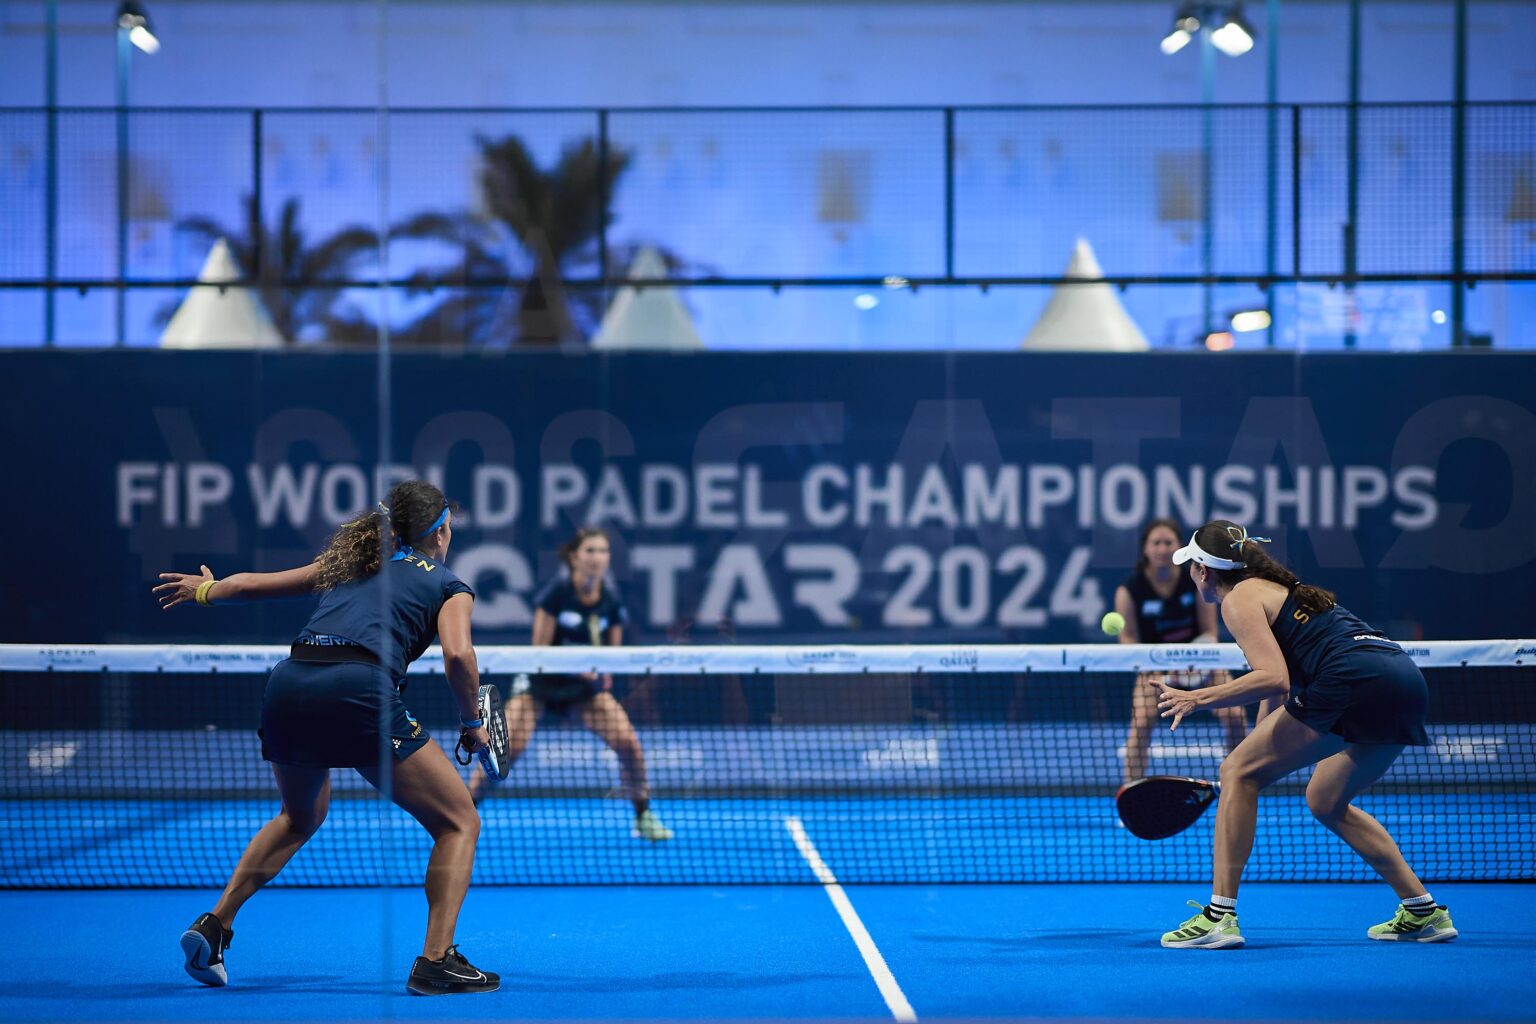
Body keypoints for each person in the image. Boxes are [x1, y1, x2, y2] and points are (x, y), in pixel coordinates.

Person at [153, 480, 501, 994]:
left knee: (299, 817)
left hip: (289, 685)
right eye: (449, 527)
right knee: (459, 822)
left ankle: (216, 923)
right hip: (358, 691)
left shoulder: (353, 564)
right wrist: (472, 723)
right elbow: (459, 656)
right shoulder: (451, 586)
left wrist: (205, 590)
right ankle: (436, 961)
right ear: (440, 533)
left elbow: (247, 587)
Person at [1153, 520, 1455, 949]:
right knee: (1324, 800)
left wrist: (1198, 698)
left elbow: (1272, 677)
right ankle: (1423, 909)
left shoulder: (1237, 598)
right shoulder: (1276, 590)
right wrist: (1252, 762)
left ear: (1203, 570)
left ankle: (1218, 917)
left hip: (1352, 679)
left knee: (1237, 771)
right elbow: (1280, 689)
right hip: (1402, 680)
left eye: (1191, 565)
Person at [467, 526, 672, 841]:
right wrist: (577, 667)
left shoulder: (611, 600)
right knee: (506, 751)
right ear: (575, 557)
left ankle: (643, 815)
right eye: (590, 551)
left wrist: (601, 670)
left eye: (602, 551)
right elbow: (539, 652)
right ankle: (465, 811)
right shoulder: (556, 595)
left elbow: (613, 655)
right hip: (540, 685)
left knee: (628, 744)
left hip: (582, 691)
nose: (597, 558)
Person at [1116, 518, 1246, 783]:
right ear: (1145, 548)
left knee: (1235, 715)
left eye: (1168, 543)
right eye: (1156, 543)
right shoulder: (1129, 590)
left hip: (1201, 662)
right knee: (1141, 721)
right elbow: (1127, 640)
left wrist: (1195, 664)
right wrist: (1154, 666)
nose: (1162, 549)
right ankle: (1132, 789)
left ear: (1178, 547)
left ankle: (1241, 779)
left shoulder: (1196, 579)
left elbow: (1209, 633)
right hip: (1154, 668)